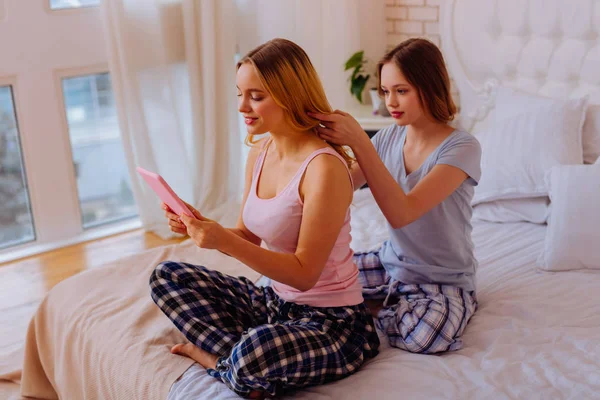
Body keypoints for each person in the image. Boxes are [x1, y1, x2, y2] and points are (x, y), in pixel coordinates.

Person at [149, 38, 379, 399]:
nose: (242, 106)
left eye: (256, 96)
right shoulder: (260, 149)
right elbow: (248, 235)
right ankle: (244, 356)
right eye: (240, 93)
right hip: (274, 303)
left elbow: (304, 275)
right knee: (166, 277)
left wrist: (222, 241)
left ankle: (222, 362)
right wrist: (202, 226)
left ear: (289, 95)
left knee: (253, 356)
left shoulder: (324, 169)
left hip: (333, 325)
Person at [309, 38, 481, 354]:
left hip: (442, 280)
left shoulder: (462, 147)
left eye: (401, 91)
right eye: (386, 91)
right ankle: (383, 299)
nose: (391, 102)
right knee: (306, 283)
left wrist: (360, 142)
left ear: (429, 88)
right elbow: (340, 189)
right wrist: (314, 144)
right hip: (392, 262)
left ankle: (375, 307)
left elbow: (402, 212)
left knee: (426, 338)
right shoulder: (388, 137)